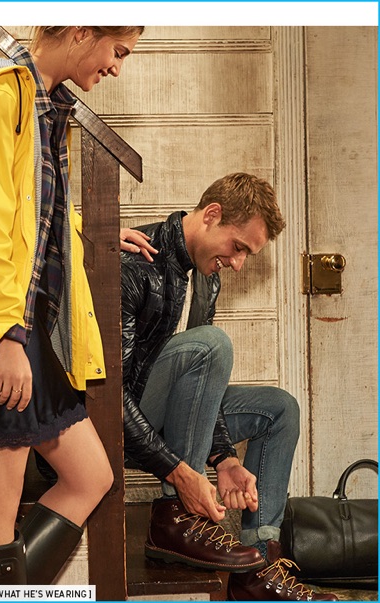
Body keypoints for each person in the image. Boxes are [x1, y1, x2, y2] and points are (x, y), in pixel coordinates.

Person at [114, 173, 337, 600]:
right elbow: (110, 396)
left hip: (169, 416)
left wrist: (224, 459)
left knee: (280, 408)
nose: (238, 264)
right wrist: (182, 475)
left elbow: (201, 385)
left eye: (248, 255)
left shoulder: (205, 277)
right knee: (211, 344)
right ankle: (174, 517)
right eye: (238, 248)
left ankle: (258, 566)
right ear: (212, 215)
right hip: (123, 418)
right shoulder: (136, 261)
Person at [0, 26, 142, 585]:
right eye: (117, 51)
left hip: (33, 333)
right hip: (7, 334)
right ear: (81, 32)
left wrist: (93, 228)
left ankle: (14, 590)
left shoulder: (48, 106)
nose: (117, 67)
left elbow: (34, 213)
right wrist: (4, 335)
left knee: (91, 477)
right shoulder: (1, 95)